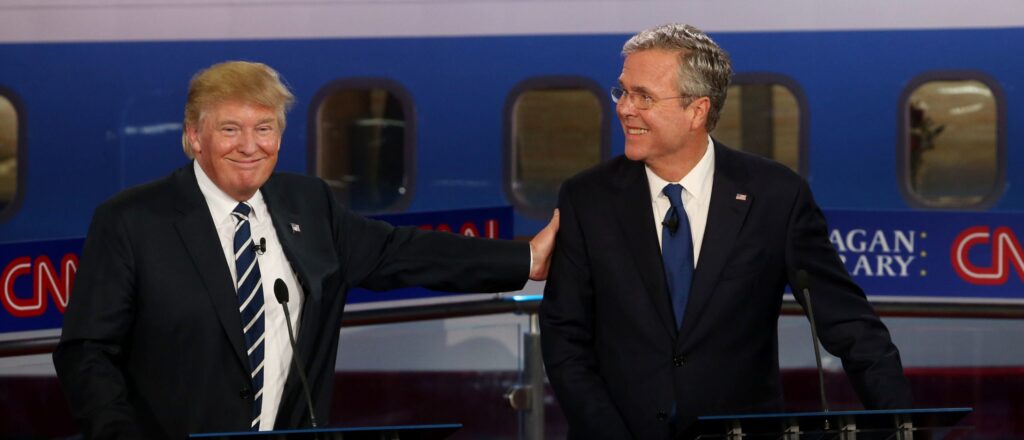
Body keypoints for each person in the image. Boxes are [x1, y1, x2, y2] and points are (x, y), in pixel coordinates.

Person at [53, 60, 558, 439]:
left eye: (264, 128)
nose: (249, 145)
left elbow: (400, 251)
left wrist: (525, 261)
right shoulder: (132, 221)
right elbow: (86, 353)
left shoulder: (307, 203)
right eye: (230, 129)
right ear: (193, 138)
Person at [539, 24, 913, 440]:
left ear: (697, 111)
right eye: (623, 92)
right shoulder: (586, 199)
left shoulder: (775, 196)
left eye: (643, 96)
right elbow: (564, 340)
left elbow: (850, 326)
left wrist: (905, 425)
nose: (625, 108)